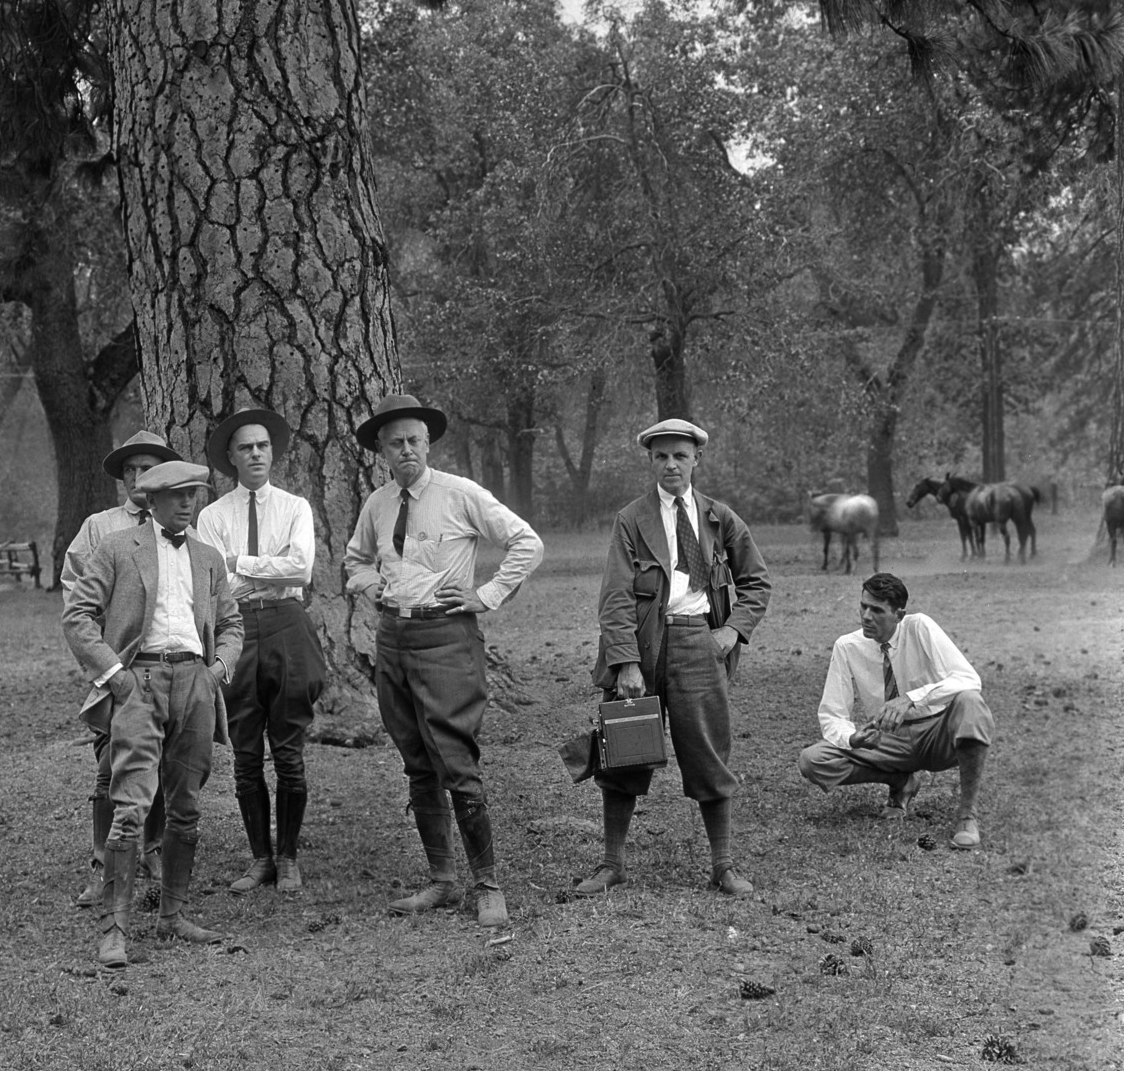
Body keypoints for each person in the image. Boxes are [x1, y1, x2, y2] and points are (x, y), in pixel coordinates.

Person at [344, 392, 543, 931]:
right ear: (381, 450)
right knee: (415, 760)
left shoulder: (461, 494)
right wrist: (374, 588)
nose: (406, 449)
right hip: (394, 639)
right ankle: (441, 879)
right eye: (395, 442)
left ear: (427, 444)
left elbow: (526, 543)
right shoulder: (378, 504)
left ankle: (488, 885)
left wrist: (488, 593)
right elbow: (356, 561)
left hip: (448, 639)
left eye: (414, 440)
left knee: (455, 759)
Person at [62, 460, 244, 966]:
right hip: (137, 682)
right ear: (151, 500)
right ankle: (115, 929)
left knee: (186, 805)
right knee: (131, 804)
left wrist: (217, 670)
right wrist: (114, 676)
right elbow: (77, 616)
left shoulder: (208, 557)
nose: (189, 503)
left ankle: (173, 915)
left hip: (196, 684)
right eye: (178, 494)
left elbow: (231, 623)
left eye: (195, 494)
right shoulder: (118, 548)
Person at [586, 417, 771, 899]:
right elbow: (615, 595)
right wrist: (625, 661)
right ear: (650, 461)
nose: (671, 465)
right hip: (643, 644)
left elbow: (757, 581)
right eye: (661, 456)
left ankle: (723, 865)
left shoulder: (718, 517)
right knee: (624, 749)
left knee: (708, 751)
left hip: (699, 642)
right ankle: (612, 864)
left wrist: (731, 632)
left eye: (680, 456)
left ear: (696, 460)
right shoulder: (632, 518)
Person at [194, 405, 326, 897]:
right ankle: (260, 859)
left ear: (273, 453)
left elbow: (301, 569)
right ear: (230, 457)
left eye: (262, 446)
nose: (255, 454)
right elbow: (215, 584)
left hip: (288, 625)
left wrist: (241, 564)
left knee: (289, 751)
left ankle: (289, 857)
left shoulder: (295, 508)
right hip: (235, 632)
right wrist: (249, 573)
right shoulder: (211, 516)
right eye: (245, 447)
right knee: (246, 752)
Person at [60, 429, 180, 907]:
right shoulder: (100, 526)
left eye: (146, 469)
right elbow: (76, 596)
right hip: (117, 665)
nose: (137, 477)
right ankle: (102, 864)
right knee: (111, 765)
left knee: (161, 759)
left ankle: (152, 851)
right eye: (129, 470)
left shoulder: (178, 521)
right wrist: (103, 657)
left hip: (167, 661)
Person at [798, 571, 993, 848]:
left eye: (876, 610)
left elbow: (969, 679)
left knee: (970, 702)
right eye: (863, 606)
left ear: (899, 615)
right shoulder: (847, 646)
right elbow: (832, 714)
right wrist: (851, 738)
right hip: (887, 740)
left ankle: (966, 817)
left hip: (935, 733)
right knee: (813, 760)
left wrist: (910, 698)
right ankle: (900, 780)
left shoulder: (920, 627)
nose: (866, 616)